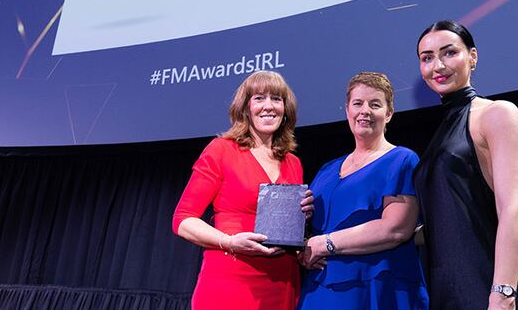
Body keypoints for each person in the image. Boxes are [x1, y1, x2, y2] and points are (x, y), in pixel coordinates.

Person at [413, 20, 518, 310]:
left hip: (484, 287)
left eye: (449, 53)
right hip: (444, 289)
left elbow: (512, 209)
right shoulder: (441, 132)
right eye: (427, 58)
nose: (438, 65)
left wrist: (503, 295)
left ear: (473, 56)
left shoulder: (497, 114)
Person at [172, 70, 313, 310]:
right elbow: (182, 220)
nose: (268, 106)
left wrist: (301, 218)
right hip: (230, 280)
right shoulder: (221, 150)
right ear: (246, 108)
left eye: (276, 99)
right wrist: (229, 242)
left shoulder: (293, 162)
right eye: (259, 98)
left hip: (282, 282)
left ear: (285, 110)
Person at [298, 72, 429, 310]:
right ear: (347, 110)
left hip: (377, 288)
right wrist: (303, 235)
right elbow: (312, 232)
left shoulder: (401, 160)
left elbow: (395, 229)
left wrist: (324, 244)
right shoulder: (326, 170)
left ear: (388, 114)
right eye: (357, 103)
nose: (364, 111)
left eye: (375, 104)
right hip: (319, 289)